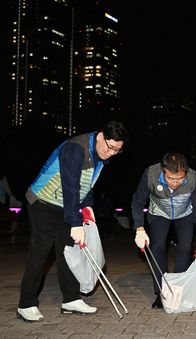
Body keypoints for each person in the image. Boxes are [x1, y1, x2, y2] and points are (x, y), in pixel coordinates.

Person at [17, 121, 128, 322]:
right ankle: (26, 303)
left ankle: (70, 299)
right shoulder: (75, 148)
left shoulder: (100, 157)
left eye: (117, 151)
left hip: (64, 206)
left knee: (68, 252)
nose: (112, 153)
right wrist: (75, 222)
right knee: (41, 251)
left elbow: (87, 183)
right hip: (43, 202)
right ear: (101, 136)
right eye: (110, 147)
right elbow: (70, 186)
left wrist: (87, 207)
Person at [131, 152, 196, 309]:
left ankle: (178, 291)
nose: (175, 183)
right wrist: (139, 228)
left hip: (184, 214)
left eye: (179, 179)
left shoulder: (193, 178)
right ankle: (162, 293)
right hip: (159, 213)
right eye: (170, 179)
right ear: (163, 170)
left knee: (185, 247)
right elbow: (138, 202)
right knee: (157, 247)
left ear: (185, 173)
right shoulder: (150, 174)